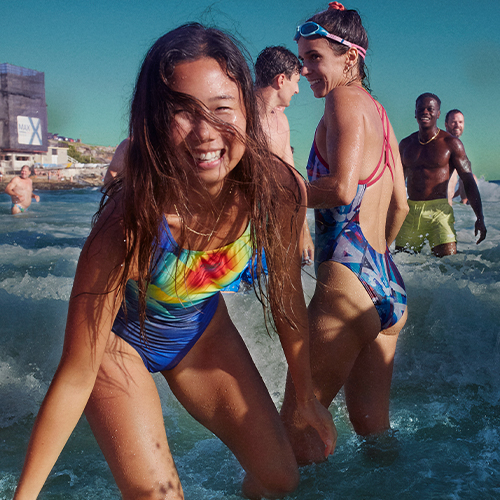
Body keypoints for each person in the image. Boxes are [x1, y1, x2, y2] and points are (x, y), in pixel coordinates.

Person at [14, 24, 335, 500]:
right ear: (153, 121)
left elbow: (287, 301)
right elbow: (76, 373)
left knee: (279, 480)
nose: (206, 133)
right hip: (117, 348)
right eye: (182, 112)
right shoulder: (128, 223)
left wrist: (305, 396)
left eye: (222, 108)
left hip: (200, 332)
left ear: (248, 109)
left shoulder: (279, 191)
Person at [279, 2, 409, 466]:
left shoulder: (343, 100)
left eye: (315, 57)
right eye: (302, 59)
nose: (306, 69)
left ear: (349, 58)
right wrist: (377, 255)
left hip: (348, 280)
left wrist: (275, 194)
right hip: (387, 283)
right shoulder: (381, 114)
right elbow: (401, 204)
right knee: (376, 437)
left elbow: (339, 188)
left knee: (295, 427)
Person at [396, 94, 486, 257]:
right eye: (420, 108)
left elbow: (468, 180)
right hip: (410, 211)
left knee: (449, 267)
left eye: (430, 109)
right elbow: (395, 183)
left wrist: (480, 217)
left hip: (439, 212)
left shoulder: (451, 143)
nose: (425, 112)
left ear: (438, 113)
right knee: (402, 265)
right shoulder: (405, 145)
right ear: (415, 113)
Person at [254, 45, 314, 264]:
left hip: (272, 225)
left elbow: (293, 182)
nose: (297, 90)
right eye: (296, 82)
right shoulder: (235, 115)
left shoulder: (281, 123)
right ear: (281, 80)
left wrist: (303, 231)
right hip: (234, 229)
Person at [445, 109, 478, 205]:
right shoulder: (443, 145)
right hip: (439, 206)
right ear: (446, 124)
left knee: (471, 177)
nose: (457, 125)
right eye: (454, 122)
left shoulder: (457, 146)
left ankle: (465, 203)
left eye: (460, 122)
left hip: (448, 204)